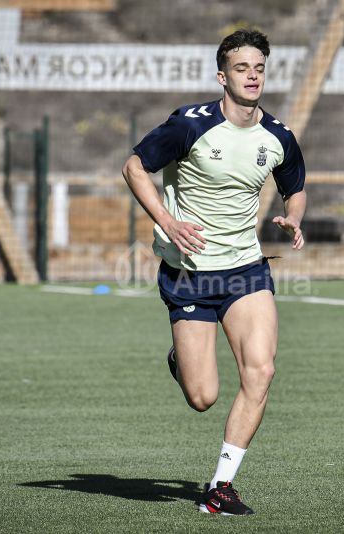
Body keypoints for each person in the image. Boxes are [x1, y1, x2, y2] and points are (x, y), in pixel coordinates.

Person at [122, 28, 307, 516]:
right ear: (222, 76)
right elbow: (134, 167)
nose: (253, 76)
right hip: (189, 274)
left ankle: (220, 488)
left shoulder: (278, 134)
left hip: (246, 269)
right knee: (203, 396)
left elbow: (296, 184)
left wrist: (296, 216)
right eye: (242, 68)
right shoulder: (190, 124)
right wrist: (168, 221)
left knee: (261, 371)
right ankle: (182, 359)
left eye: (260, 68)